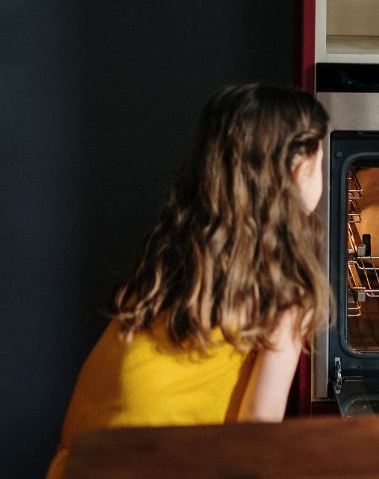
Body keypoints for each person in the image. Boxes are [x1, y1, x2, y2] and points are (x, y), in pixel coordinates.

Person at [47, 84, 330, 478]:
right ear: (300, 172)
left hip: (86, 460)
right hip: (167, 463)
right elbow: (258, 428)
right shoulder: (286, 289)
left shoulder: (175, 247)